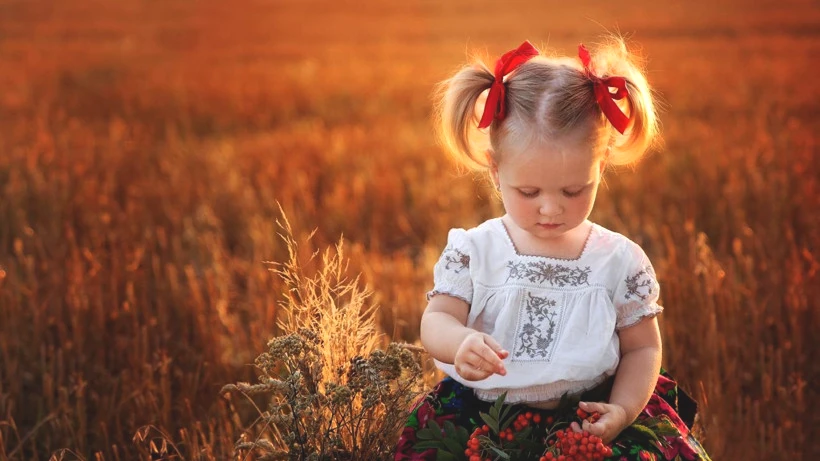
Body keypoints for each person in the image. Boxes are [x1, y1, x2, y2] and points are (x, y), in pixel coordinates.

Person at [395, 39, 712, 460]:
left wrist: (621, 410)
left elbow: (642, 348)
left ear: (600, 167)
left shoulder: (618, 261)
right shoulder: (475, 250)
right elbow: (436, 320)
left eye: (573, 190)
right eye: (528, 191)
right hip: (483, 421)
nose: (550, 208)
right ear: (495, 170)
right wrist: (459, 343)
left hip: (586, 423)